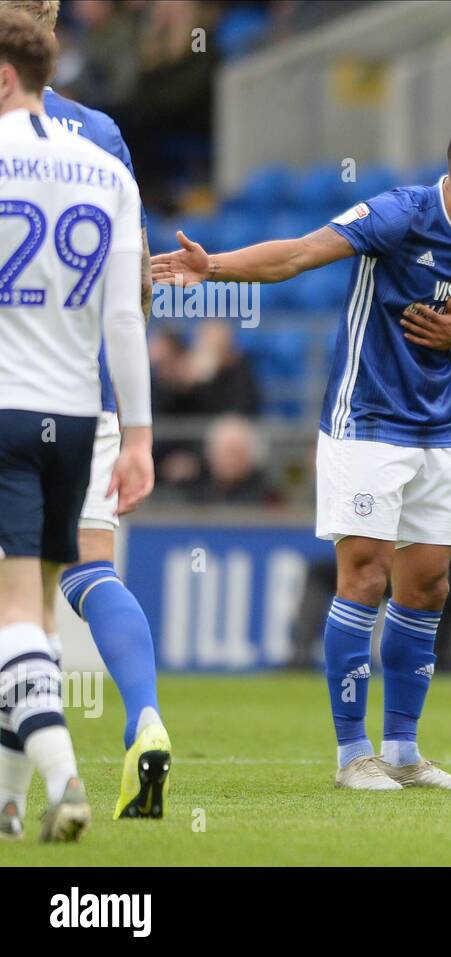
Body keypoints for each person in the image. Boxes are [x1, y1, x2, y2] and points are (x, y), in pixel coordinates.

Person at [152, 117, 451, 792]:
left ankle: (405, 751)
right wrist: (215, 267)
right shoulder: (400, 213)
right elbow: (297, 254)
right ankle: (353, 753)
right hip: (365, 421)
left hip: (434, 431)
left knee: (429, 584)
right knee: (364, 576)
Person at [0, 0, 172, 822]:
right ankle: (143, 718)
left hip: (5, 400)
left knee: (14, 611)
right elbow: (131, 300)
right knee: (84, 574)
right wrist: (138, 432)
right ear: (53, 28)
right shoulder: (101, 144)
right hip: (85, 404)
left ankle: (61, 777)